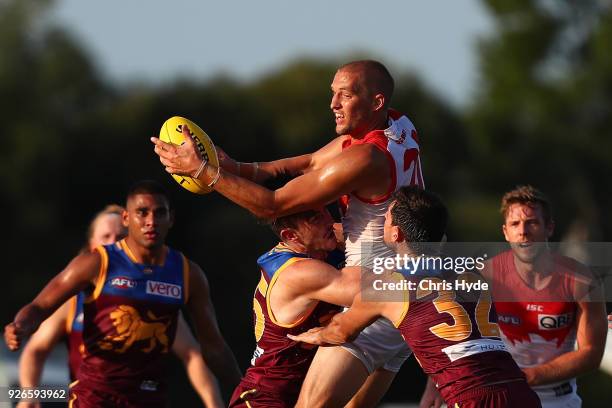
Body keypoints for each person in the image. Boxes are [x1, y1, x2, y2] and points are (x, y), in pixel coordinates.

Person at [152, 59, 424, 407]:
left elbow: (272, 205)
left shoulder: (364, 159)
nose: (333, 104)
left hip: (372, 300)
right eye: (333, 93)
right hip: (405, 295)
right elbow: (311, 163)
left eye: (345, 95)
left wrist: (206, 173)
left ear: (376, 102)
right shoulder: (400, 125)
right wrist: (235, 167)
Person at [289, 186, 542, 407]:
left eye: (386, 220)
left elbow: (341, 332)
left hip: (471, 397)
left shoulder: (387, 286)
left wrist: (315, 334)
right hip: (520, 391)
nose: (382, 225)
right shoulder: (473, 273)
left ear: (396, 234)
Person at [5, 180, 241, 407]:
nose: (151, 221)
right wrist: (21, 327)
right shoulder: (93, 265)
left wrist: (242, 392)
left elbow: (208, 349)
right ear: (127, 219)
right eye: (142, 212)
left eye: (159, 213)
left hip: (149, 398)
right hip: (95, 396)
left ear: (171, 219)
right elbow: (39, 313)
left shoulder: (187, 274)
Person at [419, 185, 607, 408]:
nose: (523, 231)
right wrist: (435, 385)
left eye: (532, 223)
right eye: (515, 224)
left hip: (557, 399)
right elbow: (455, 334)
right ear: (506, 232)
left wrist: (525, 377)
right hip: (496, 394)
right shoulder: (483, 276)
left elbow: (591, 354)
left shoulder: (581, 281)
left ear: (549, 228)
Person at [229, 205, 361, 407]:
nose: (329, 221)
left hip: (300, 392)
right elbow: (381, 291)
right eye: (315, 219)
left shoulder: (318, 249)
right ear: (291, 236)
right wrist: (375, 240)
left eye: (325, 211)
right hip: (267, 398)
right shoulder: (297, 272)